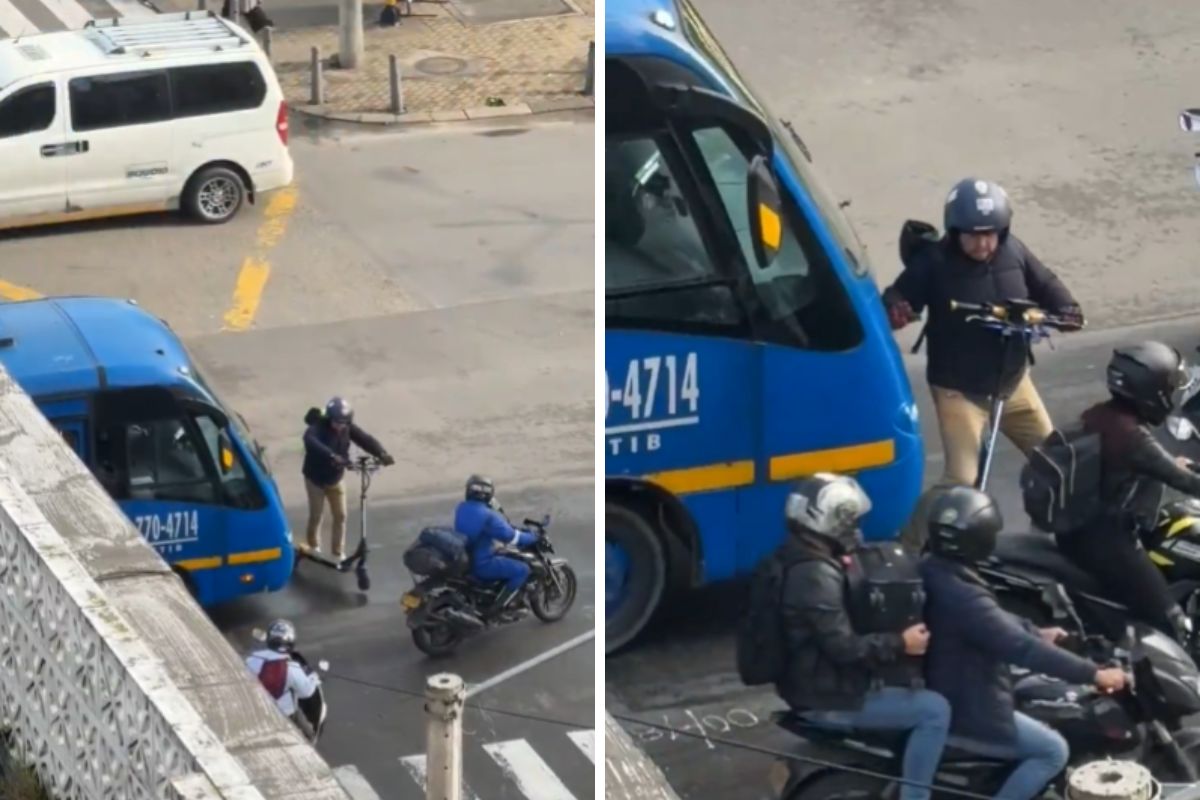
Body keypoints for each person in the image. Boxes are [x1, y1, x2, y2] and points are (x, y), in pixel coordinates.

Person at [921, 485, 1128, 800]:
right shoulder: (962, 594)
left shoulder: (936, 569)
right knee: (1053, 750)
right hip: (967, 706)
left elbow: (995, 624)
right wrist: (1094, 674)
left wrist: (1037, 631)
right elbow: (1020, 647)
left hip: (950, 685)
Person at [884, 178, 1085, 491]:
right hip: (960, 391)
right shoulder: (933, 262)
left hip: (1013, 384)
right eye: (973, 237)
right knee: (961, 482)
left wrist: (1067, 307)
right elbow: (897, 295)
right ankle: (914, 541)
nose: (982, 245)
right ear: (955, 232)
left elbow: (1045, 282)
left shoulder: (1014, 250)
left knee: (1056, 462)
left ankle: (1068, 534)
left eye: (990, 235)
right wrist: (896, 307)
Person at [775, 473, 950, 800]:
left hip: (811, 680)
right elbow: (844, 648)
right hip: (825, 696)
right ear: (829, 521)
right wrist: (901, 642)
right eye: (850, 521)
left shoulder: (798, 556)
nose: (855, 530)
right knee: (935, 710)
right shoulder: (814, 577)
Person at [1055, 341, 1199, 642]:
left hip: (1081, 529)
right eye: (1169, 386)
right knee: (1173, 625)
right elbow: (1185, 482)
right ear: (1153, 390)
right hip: (1110, 541)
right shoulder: (1132, 437)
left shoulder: (1101, 415)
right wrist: (1175, 468)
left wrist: (1169, 463)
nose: (1172, 393)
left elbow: (1124, 461)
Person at [301, 397, 394, 561]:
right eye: (337, 422)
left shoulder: (347, 427)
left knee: (341, 515)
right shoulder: (318, 427)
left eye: (343, 423)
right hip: (315, 479)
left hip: (336, 478)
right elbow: (311, 440)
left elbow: (365, 439)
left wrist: (381, 453)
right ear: (330, 418)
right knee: (316, 515)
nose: (340, 426)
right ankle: (313, 546)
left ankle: (337, 552)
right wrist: (332, 456)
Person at [454, 474, 541, 616]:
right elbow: (511, 537)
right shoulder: (488, 515)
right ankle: (497, 608)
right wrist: (532, 537)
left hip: (465, 558)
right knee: (522, 570)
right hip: (481, 564)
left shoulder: (461, 507)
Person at [245, 619, 321, 732]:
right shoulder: (292, 667)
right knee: (308, 733)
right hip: (283, 714)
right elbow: (306, 692)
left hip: (253, 709)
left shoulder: (251, 660)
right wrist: (313, 678)